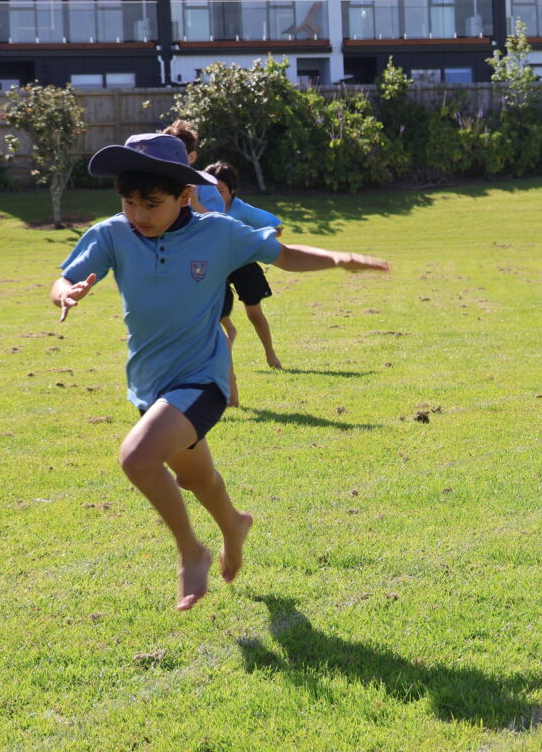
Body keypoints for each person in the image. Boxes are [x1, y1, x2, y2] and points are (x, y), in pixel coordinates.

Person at [50, 132, 388, 611]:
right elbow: (65, 277)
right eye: (129, 203)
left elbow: (284, 255)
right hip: (149, 385)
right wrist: (65, 292)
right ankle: (234, 524)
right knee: (195, 478)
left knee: (137, 458)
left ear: (184, 195)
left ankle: (192, 551)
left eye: (152, 204)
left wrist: (336, 258)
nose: (139, 215)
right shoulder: (112, 234)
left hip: (202, 377)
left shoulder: (219, 233)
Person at [205, 161, 285, 407]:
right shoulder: (201, 209)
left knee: (254, 312)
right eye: (210, 191)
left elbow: (275, 224)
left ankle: (270, 353)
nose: (214, 197)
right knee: (214, 313)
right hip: (217, 266)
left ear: (231, 191)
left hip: (243, 264)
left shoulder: (241, 209)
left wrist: (256, 241)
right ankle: (230, 334)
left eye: (220, 191)